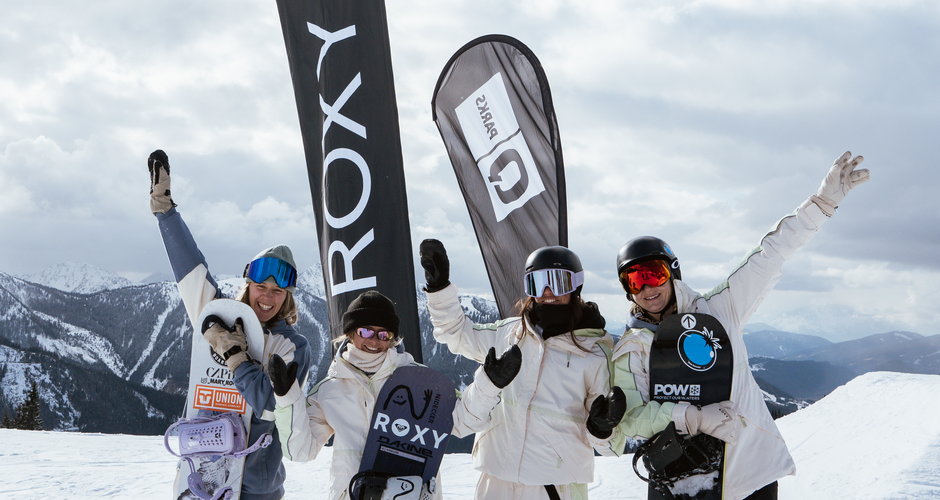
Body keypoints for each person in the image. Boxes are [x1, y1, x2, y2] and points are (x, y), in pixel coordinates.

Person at [610, 151, 871, 500]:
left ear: (672, 272)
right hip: (678, 480)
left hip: (749, 473)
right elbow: (631, 419)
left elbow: (770, 256)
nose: (647, 287)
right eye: (634, 280)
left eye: (654, 273)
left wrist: (821, 203)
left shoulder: (718, 310)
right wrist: (694, 418)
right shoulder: (631, 348)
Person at [148, 149, 312, 500]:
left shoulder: (293, 347)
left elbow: (270, 406)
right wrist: (166, 214)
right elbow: (191, 273)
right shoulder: (220, 319)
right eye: (260, 287)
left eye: (277, 291)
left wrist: (237, 359)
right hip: (202, 475)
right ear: (248, 285)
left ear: (288, 297)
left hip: (256, 487)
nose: (267, 297)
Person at [266, 290, 523, 500]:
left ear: (393, 338)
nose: (374, 341)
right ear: (350, 333)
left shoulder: (419, 379)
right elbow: (300, 451)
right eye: (366, 331)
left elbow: (463, 421)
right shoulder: (329, 389)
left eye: (383, 334)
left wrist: (489, 384)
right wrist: (287, 397)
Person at [419, 242, 626, 500]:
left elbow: (610, 446)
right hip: (495, 480)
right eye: (537, 283)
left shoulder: (594, 352)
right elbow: (457, 334)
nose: (548, 291)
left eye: (558, 281)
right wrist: (439, 289)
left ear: (576, 286)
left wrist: (602, 428)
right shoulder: (510, 333)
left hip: (553, 486)